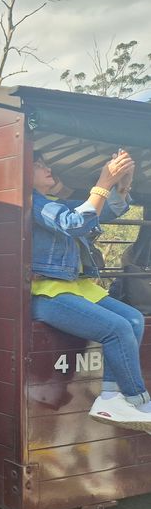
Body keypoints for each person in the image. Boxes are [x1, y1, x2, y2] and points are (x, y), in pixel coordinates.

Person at [31, 150, 151, 431]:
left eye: (46, 162)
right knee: (118, 329)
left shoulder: (54, 202)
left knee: (132, 319)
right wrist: (103, 181)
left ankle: (110, 396)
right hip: (46, 291)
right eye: (37, 165)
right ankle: (137, 399)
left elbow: (105, 211)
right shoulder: (35, 203)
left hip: (74, 287)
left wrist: (121, 186)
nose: (47, 168)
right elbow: (74, 224)